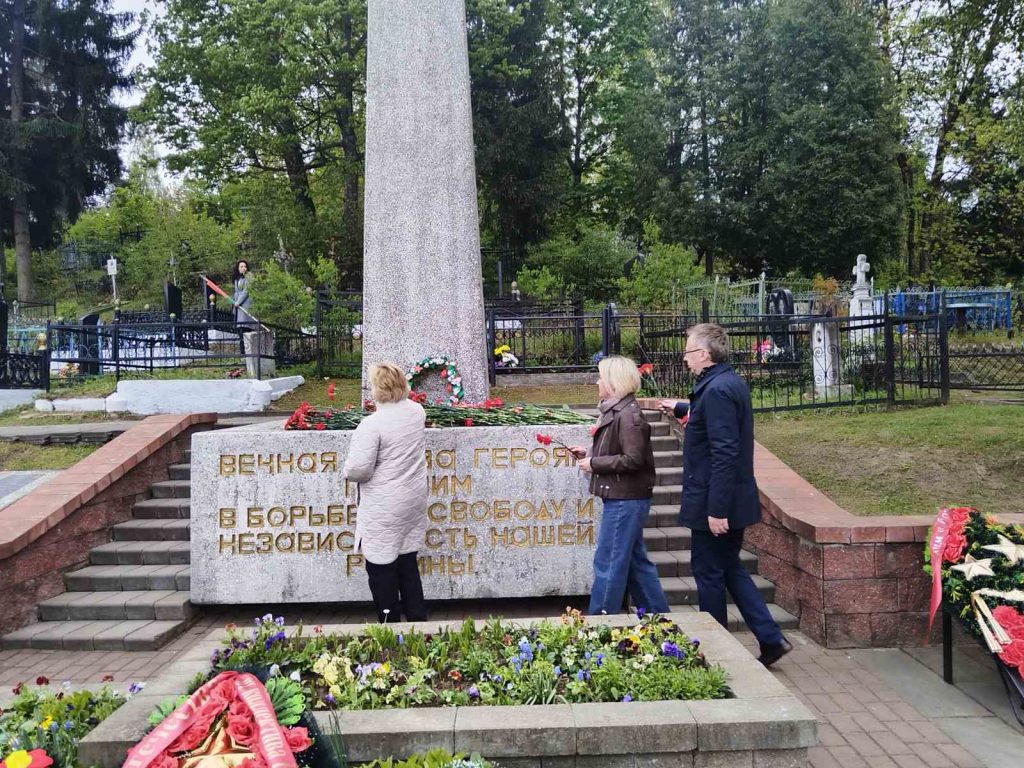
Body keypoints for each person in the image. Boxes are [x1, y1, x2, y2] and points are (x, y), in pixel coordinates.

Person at [660, 323, 792, 667]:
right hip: (728, 497)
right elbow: (717, 425)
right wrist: (682, 408)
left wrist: (716, 510)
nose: (685, 358)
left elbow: (724, 452)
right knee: (729, 567)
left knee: (708, 572)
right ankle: (771, 638)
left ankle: (715, 650)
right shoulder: (726, 383)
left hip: (716, 501)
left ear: (704, 354)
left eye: (688, 352)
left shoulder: (717, 390)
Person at [570, 355, 670, 617]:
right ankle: (661, 620)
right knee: (636, 564)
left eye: (601, 377)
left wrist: (595, 464)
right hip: (624, 497)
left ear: (614, 382)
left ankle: (599, 624)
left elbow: (633, 459)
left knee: (609, 562)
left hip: (625, 500)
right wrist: (588, 455)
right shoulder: (618, 411)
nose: (597, 382)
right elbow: (621, 451)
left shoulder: (628, 415)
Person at [342, 362, 428, 622]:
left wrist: (346, 470)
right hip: (412, 499)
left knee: (381, 568)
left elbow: (359, 470)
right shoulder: (416, 412)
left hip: (385, 504)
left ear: (377, 388)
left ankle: (390, 626)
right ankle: (417, 621)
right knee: (407, 561)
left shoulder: (372, 425)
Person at [232, 260, 253, 325]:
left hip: (246, 302)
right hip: (238, 304)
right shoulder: (237, 279)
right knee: (239, 324)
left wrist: (238, 301)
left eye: (245, 266)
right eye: (241, 266)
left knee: (245, 324)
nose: (244, 268)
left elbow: (246, 290)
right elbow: (236, 291)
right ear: (238, 268)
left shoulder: (249, 275)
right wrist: (235, 301)